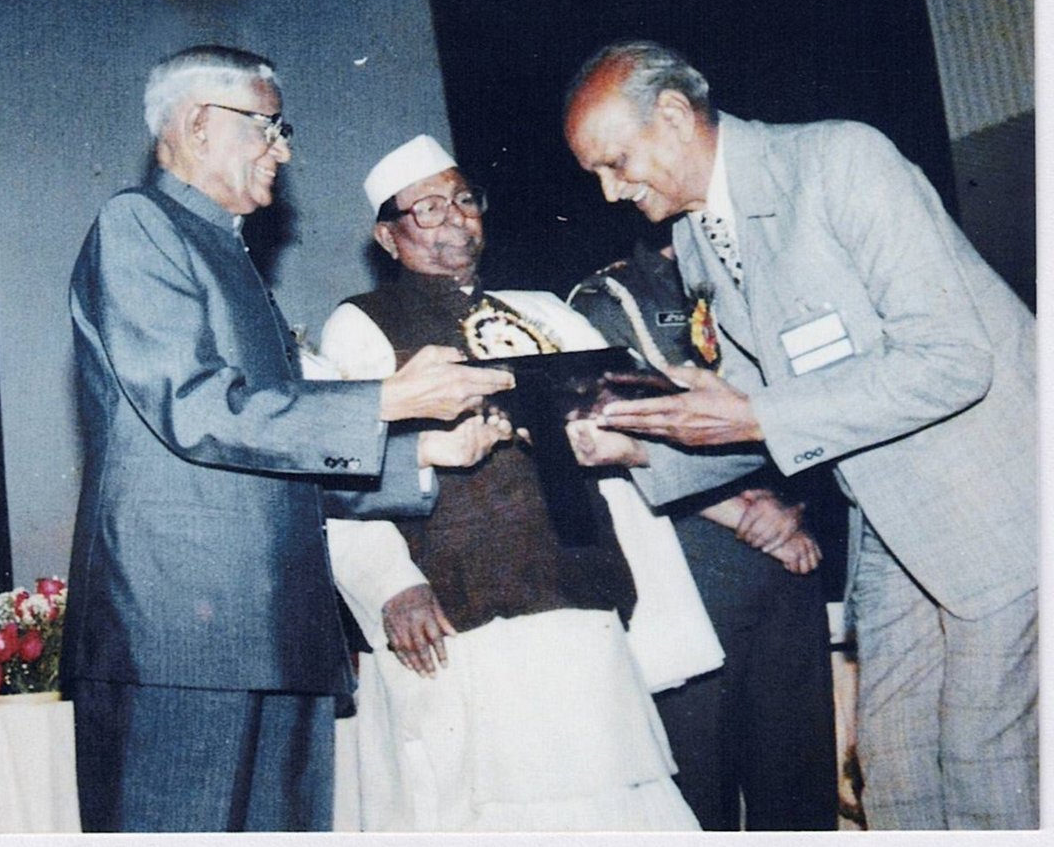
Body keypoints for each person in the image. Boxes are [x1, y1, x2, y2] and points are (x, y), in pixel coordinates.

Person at [562, 40, 1037, 830]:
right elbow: (764, 410)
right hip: (892, 526)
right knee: (895, 773)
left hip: (995, 502)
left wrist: (754, 413)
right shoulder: (700, 239)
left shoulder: (840, 161)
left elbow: (954, 361)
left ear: (673, 116)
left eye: (616, 163)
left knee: (984, 768)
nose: (612, 192)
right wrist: (642, 443)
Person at [63, 46, 514, 833]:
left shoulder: (230, 257)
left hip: (277, 634)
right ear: (199, 124)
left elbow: (269, 455)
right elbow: (197, 408)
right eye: (268, 127)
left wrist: (420, 454)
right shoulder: (138, 225)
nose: (284, 151)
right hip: (184, 644)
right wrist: (389, 399)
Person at [316, 134, 706, 831]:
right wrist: (390, 585)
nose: (455, 217)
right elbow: (346, 466)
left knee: (614, 799)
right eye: (428, 208)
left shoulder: (546, 312)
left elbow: (630, 421)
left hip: (578, 585)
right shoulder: (363, 324)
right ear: (388, 236)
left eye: (464, 199)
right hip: (464, 604)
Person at [570, 239, 837, 830]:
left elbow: (829, 401)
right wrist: (747, 516)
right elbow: (611, 438)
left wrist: (796, 507)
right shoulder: (610, 298)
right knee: (698, 785)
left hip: (795, 549)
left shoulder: (771, 276)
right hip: (692, 563)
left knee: (798, 782)